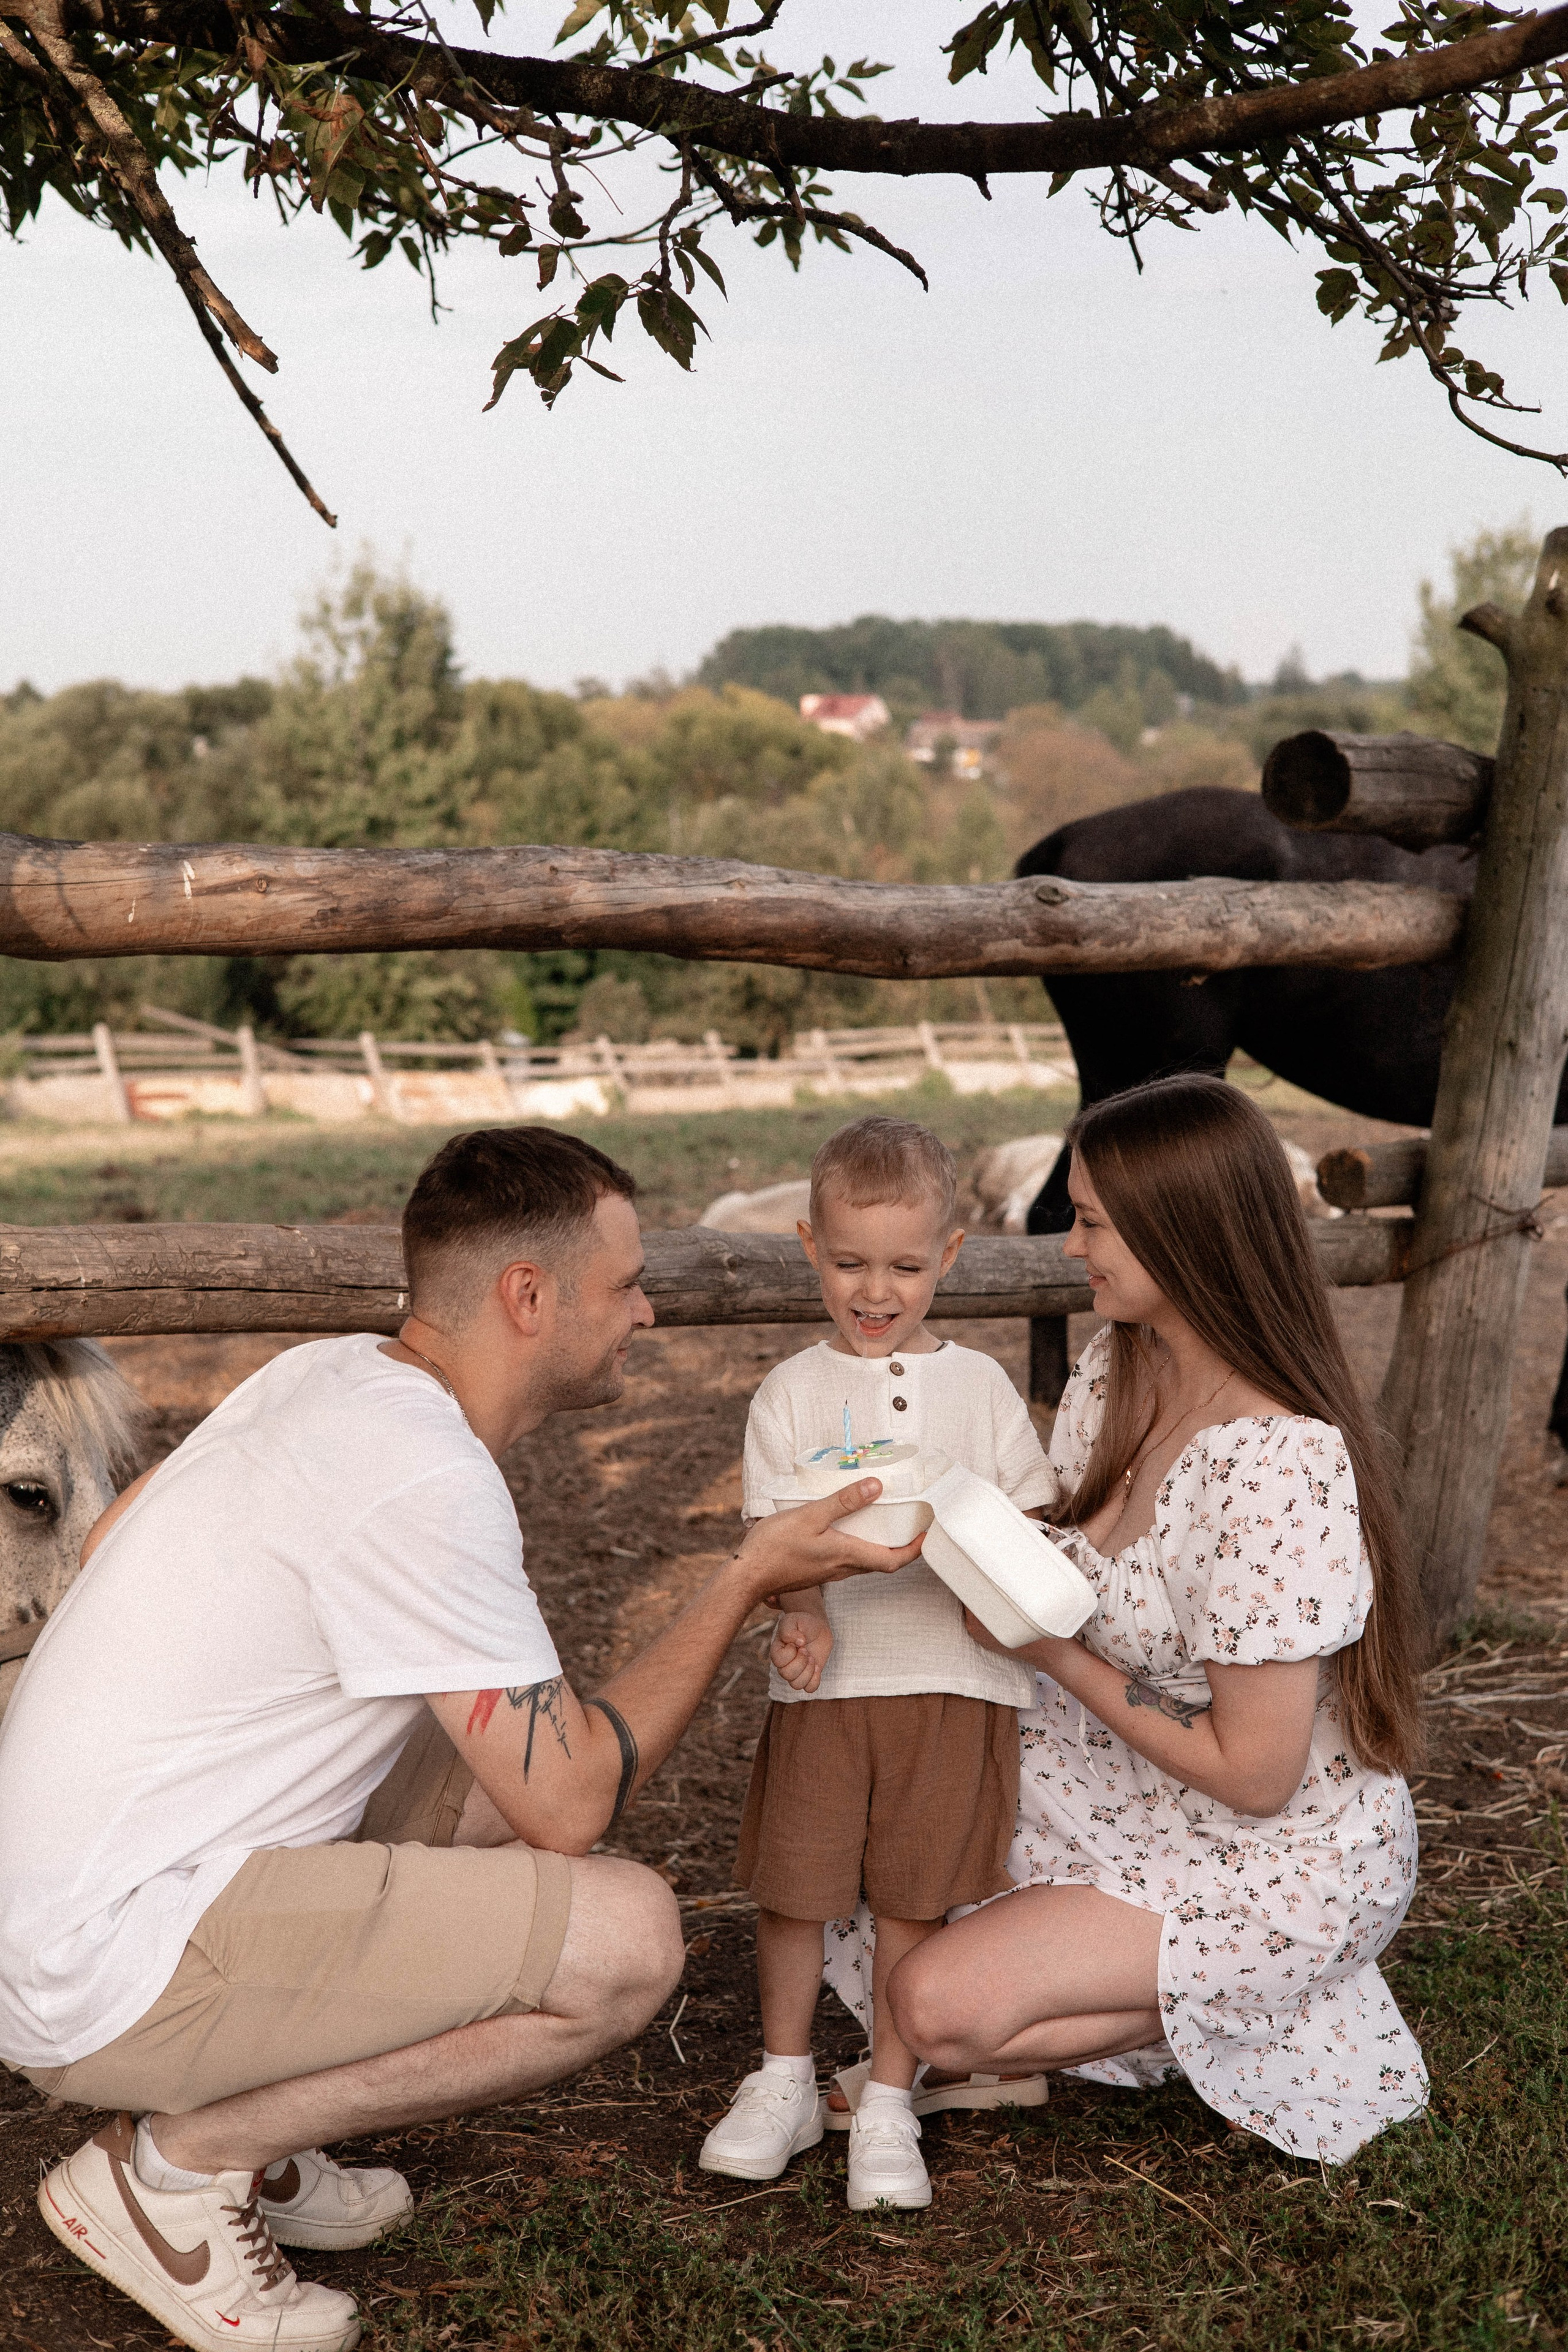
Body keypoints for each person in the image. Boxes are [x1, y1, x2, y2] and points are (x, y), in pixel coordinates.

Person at [0, 1126, 922, 2352]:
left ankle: (259, 2126)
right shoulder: (421, 1472)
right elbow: (572, 1807)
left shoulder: (328, 1377)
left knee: (475, 1770)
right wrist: (744, 1577)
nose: (645, 1313)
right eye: (625, 1284)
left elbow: (114, 1550)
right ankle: (175, 2168)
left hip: (69, 1899)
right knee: (625, 1941)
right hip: (96, 1971)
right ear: (526, 1297)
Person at [873, 1074, 1430, 2165]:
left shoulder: (1278, 1466)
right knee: (884, 1836)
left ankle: (1284, 1983)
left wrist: (1046, 1649)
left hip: (1273, 1844)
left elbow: (1256, 1775)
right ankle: (1101, 2013)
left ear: (1185, 1236)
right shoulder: (1115, 1368)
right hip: (1123, 1778)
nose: (1070, 1246)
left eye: (1090, 1222)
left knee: (934, 2007)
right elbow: (1063, 1561)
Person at [699, 1115, 1057, 2212]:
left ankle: (892, 2093)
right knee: (798, 1885)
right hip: (831, 1681)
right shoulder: (793, 1394)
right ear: (810, 1245)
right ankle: (782, 2078)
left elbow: (1025, 1521)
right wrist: (799, 1606)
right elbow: (774, 1533)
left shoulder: (983, 1389)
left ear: (949, 1256)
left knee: (915, 1893)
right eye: (850, 1262)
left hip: (954, 1680)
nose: (876, 1290)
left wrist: (986, 1573)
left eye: (905, 1266)